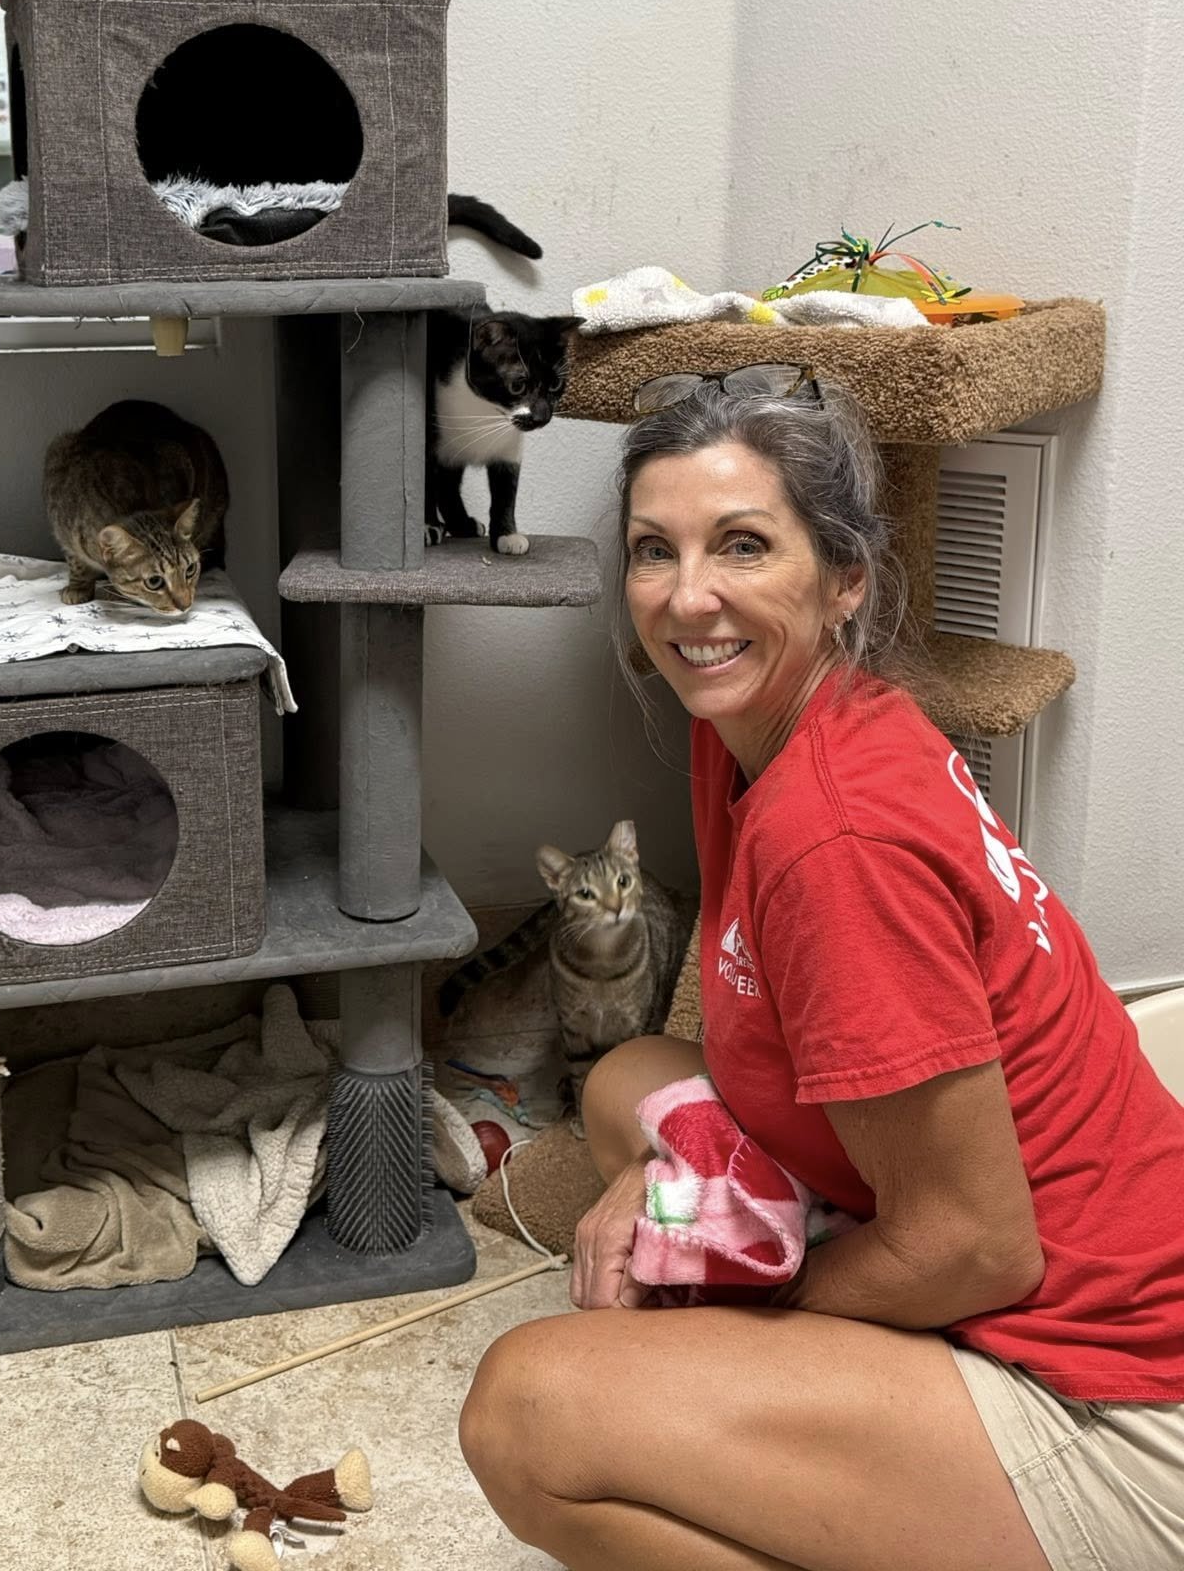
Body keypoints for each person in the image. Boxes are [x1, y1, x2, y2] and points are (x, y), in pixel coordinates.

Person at [460, 365, 1184, 1571]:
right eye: (655, 549)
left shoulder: (834, 839)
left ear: (846, 578)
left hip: (1110, 1388)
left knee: (528, 1412)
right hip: (1026, 1245)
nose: (691, 598)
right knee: (623, 1078)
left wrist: (748, 1309)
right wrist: (673, 1175)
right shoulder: (767, 722)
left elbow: (977, 1248)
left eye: (742, 544)